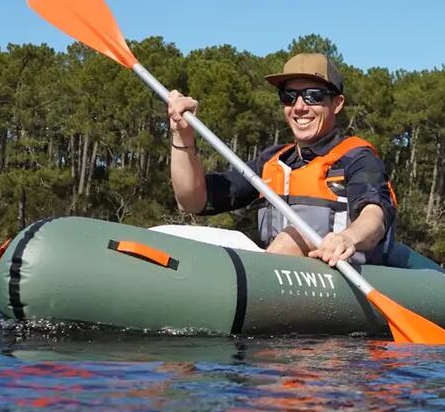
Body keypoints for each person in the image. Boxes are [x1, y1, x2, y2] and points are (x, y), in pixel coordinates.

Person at [166, 53, 396, 266]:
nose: (299, 107)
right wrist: (182, 133)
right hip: (279, 277)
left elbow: (374, 215)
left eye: (313, 96)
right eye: (289, 96)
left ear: (337, 104)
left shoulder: (357, 158)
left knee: (292, 238)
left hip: (339, 279)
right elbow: (192, 200)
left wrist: (347, 238)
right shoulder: (271, 161)